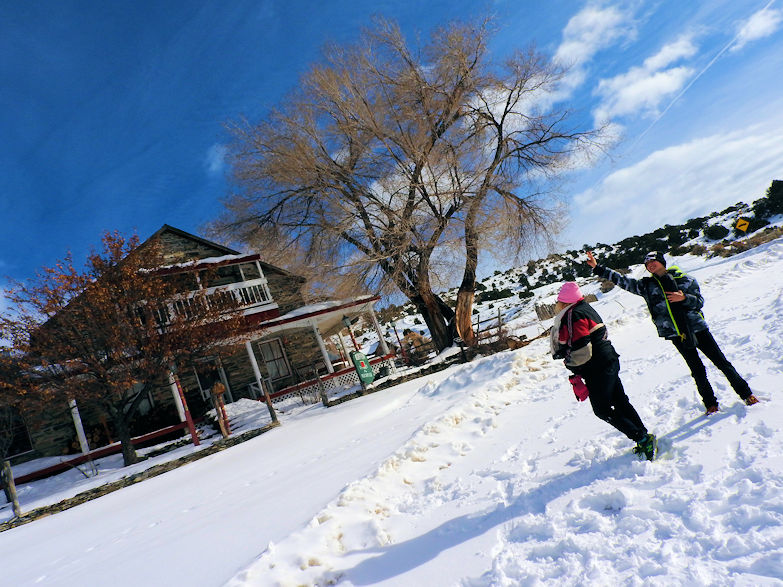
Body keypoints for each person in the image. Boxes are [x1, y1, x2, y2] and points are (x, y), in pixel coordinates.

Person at [587, 250, 758, 414]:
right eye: (647, 263)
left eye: (653, 261)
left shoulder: (685, 280)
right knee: (697, 370)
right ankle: (710, 404)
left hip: (697, 329)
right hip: (677, 334)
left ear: (662, 262)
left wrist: (684, 298)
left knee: (721, 362)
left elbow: (699, 302)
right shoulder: (646, 286)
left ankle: (746, 394)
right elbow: (622, 280)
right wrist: (598, 268)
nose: (650, 264)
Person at [550, 281, 656, 460]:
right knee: (620, 402)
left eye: (559, 301)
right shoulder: (585, 308)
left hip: (597, 367)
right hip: (609, 360)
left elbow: (583, 347)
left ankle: (642, 438)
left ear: (564, 302)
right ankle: (644, 436)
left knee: (602, 410)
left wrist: (571, 365)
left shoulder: (574, 314)